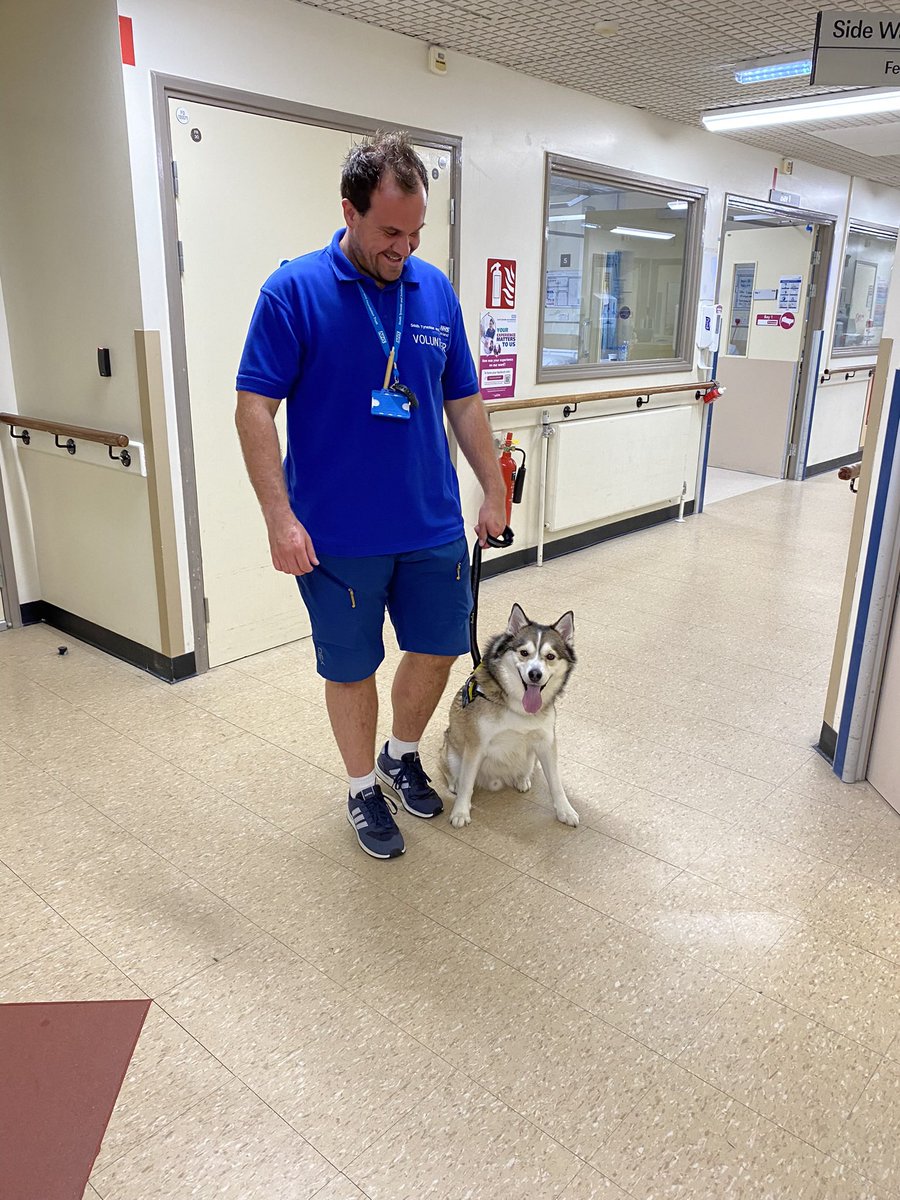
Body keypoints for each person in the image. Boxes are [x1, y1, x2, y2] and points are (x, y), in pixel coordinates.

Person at [235, 130, 506, 861]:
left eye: (416, 232)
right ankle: (361, 787)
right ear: (349, 212)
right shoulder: (293, 291)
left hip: (430, 526)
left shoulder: (434, 289)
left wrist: (494, 487)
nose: (404, 248)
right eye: (390, 231)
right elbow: (253, 408)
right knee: (351, 669)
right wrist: (278, 518)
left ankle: (400, 753)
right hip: (335, 537)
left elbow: (466, 402)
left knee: (438, 649)